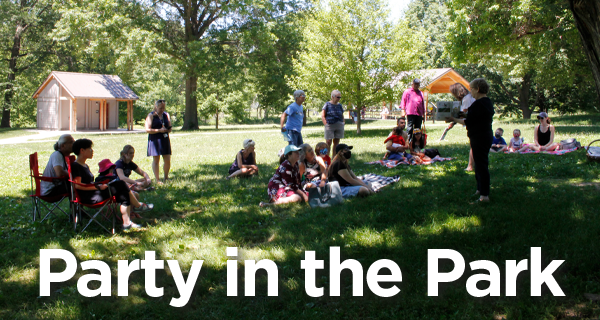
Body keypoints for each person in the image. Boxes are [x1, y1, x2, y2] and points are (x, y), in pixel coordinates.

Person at [70, 139, 153, 230]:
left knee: (124, 194)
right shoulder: (76, 166)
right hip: (89, 197)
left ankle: (127, 223)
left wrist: (99, 185)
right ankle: (138, 206)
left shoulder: (84, 165)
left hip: (95, 192)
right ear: (82, 150)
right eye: (89, 148)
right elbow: (77, 186)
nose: (92, 150)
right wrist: (98, 186)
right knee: (121, 183)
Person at [446, 78, 495, 203]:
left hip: (480, 136)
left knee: (482, 165)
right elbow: (476, 117)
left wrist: (453, 118)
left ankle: (484, 196)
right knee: (479, 164)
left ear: (477, 89)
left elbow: (468, 121)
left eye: (471, 89)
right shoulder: (486, 102)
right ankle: (480, 189)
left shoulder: (478, 103)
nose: (470, 92)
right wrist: (465, 115)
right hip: (484, 135)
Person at [146, 99, 172, 184]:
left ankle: (166, 177)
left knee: (167, 159)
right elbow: (147, 129)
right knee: (156, 160)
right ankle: (157, 179)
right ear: (156, 107)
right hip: (155, 139)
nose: (162, 109)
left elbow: (170, 127)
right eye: (161, 108)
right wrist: (158, 130)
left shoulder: (166, 115)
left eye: (163, 107)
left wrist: (167, 129)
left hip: (164, 139)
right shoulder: (151, 115)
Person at [321, 90, 345, 158]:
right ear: (332, 97)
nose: (339, 98)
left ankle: (334, 158)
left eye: (340, 97)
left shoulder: (340, 105)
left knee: (336, 142)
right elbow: (323, 115)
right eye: (338, 97)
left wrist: (343, 122)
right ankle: (326, 158)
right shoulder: (327, 104)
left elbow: (342, 114)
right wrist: (326, 124)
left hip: (339, 125)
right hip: (330, 125)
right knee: (328, 142)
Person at [401, 78, 425, 143]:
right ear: (412, 84)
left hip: (419, 113)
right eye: (415, 84)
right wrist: (403, 110)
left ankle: (416, 143)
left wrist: (423, 114)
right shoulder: (407, 91)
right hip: (410, 112)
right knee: (409, 128)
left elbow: (422, 104)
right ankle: (407, 142)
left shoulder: (420, 93)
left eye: (418, 84)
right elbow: (403, 101)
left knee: (418, 129)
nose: (416, 86)